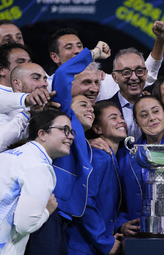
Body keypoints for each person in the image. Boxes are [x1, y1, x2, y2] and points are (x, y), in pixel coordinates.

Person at [24, 41, 109, 255]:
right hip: (50, 211)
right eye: (82, 104)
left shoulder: (84, 138)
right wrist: (93, 54)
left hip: (65, 219)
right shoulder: (65, 115)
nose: (89, 107)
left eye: (91, 107)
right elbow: (62, 76)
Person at [0, 109, 74, 255]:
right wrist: (47, 211)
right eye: (64, 130)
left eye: (71, 132)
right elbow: (24, 226)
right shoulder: (39, 166)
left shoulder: (7, 155)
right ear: (42, 134)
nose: (70, 136)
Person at [116, 95, 164, 236]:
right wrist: (121, 223)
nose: (151, 118)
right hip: (138, 233)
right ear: (137, 123)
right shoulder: (124, 156)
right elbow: (116, 200)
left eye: (156, 111)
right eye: (144, 115)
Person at [47, 22, 164, 100]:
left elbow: (144, 75)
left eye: (80, 46)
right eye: (69, 47)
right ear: (55, 57)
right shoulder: (48, 85)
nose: (77, 51)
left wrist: (160, 40)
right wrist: (93, 53)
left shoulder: (103, 81)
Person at [67, 101, 126, 255]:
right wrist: (104, 241)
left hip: (94, 244)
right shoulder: (99, 156)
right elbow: (85, 201)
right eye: (113, 118)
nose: (121, 121)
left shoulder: (113, 157)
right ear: (97, 129)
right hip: (83, 246)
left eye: (121, 116)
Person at [0, 62, 56, 152]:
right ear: (17, 84)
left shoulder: (47, 106)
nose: (44, 83)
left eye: (45, 79)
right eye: (36, 78)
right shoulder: (5, 108)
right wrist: (28, 114)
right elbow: (2, 143)